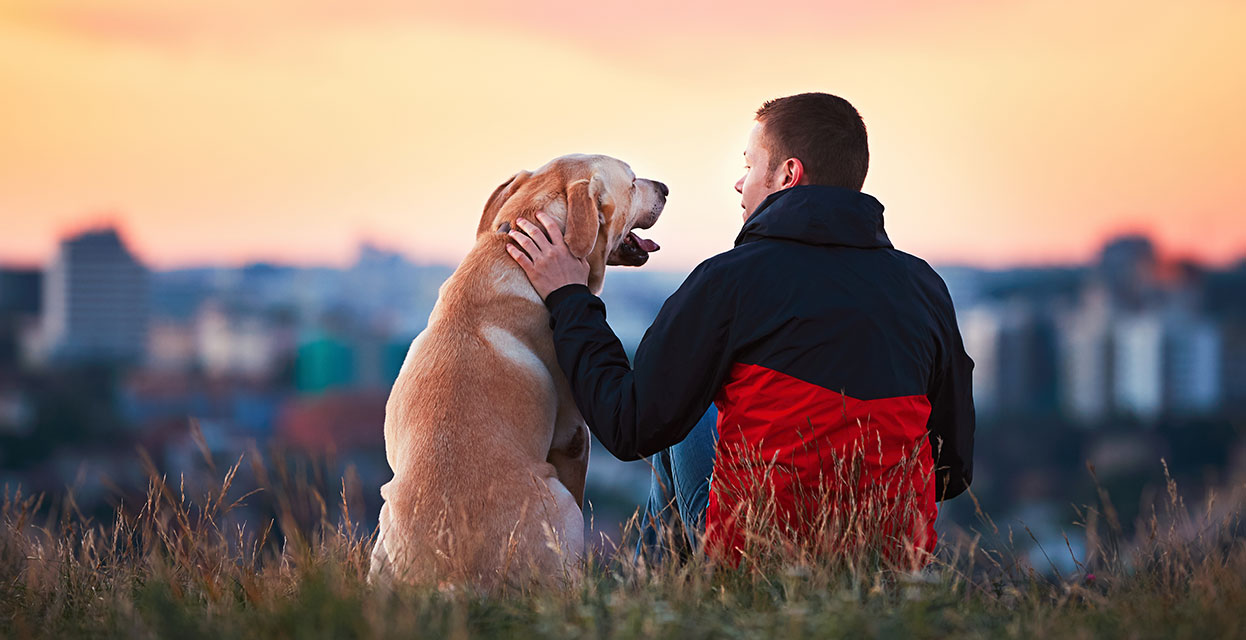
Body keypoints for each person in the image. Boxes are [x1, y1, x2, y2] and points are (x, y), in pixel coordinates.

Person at [505, 92, 974, 567]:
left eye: (750, 165)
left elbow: (628, 426)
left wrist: (569, 297)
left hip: (761, 558)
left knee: (679, 422)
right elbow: (952, 469)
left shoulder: (729, 281)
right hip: (892, 563)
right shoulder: (925, 289)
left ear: (787, 175)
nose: (738, 183)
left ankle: (657, 606)